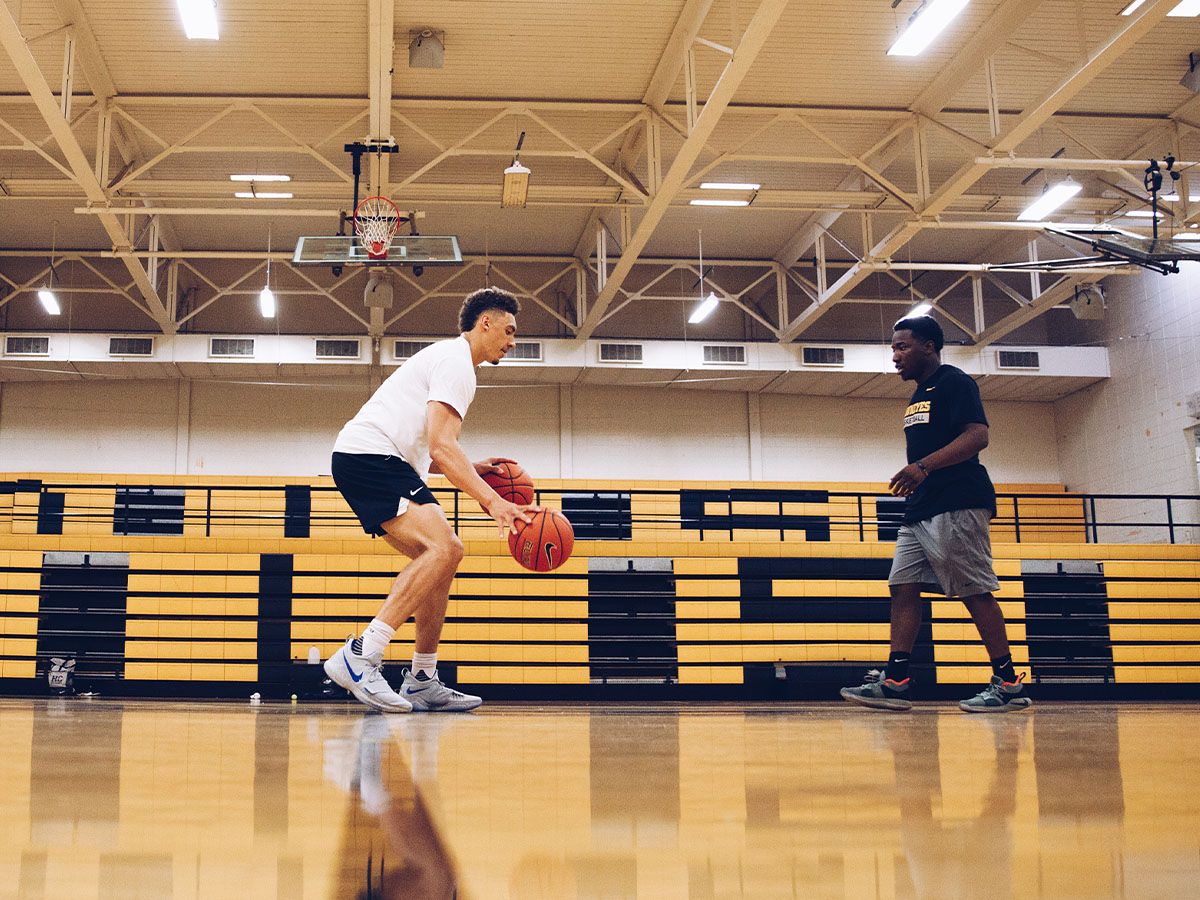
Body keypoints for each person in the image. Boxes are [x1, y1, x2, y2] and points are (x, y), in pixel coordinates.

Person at [325, 286, 535, 713]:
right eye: (509, 331)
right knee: (446, 547)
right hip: (370, 456)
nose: (512, 342)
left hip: (375, 459)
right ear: (486, 323)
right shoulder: (458, 364)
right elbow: (442, 446)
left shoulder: (450, 361)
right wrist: (495, 502)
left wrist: (472, 468)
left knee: (440, 560)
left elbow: (430, 452)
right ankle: (360, 654)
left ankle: (422, 678)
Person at [841, 315, 1031, 713]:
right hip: (922, 506)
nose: (895, 356)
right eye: (893, 348)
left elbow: (978, 435)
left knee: (973, 590)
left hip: (957, 500)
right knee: (902, 586)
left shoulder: (954, 382)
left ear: (929, 346)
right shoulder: (918, 395)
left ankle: (1008, 683)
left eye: (902, 346)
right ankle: (896, 681)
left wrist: (923, 466)